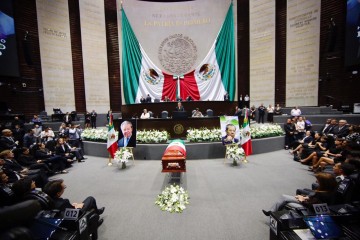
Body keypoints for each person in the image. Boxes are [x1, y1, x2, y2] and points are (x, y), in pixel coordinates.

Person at [262, 172, 337, 216]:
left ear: (323, 183)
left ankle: (272, 213)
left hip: (310, 211)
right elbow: (315, 201)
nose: (316, 181)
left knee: (287, 201)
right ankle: (272, 212)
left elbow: (313, 207)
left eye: (318, 180)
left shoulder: (322, 194)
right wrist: (305, 197)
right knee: (284, 197)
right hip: (308, 203)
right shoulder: (329, 191)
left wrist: (302, 200)